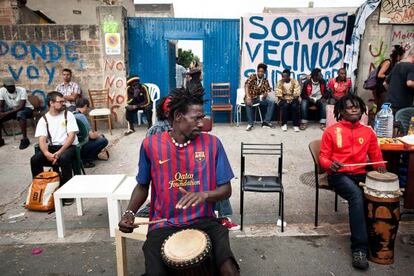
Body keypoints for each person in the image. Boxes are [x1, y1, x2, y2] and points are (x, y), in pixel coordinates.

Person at [118, 87, 240, 276]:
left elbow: (226, 190)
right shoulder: (150, 145)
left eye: (202, 117)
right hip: (164, 224)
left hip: (204, 220)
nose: (202, 123)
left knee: (228, 269)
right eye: (196, 118)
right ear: (178, 117)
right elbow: (142, 185)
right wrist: (129, 213)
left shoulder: (213, 144)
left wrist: (204, 195)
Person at [319, 94, 387, 270]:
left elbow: (376, 156)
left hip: (359, 173)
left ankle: (378, 239)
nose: (354, 109)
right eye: (349, 107)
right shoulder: (331, 131)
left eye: (357, 106)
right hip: (338, 175)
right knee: (356, 196)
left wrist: (380, 168)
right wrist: (330, 165)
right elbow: (323, 158)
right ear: (341, 111)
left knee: (378, 195)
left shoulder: (368, 132)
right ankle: (360, 249)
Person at [30, 91, 79, 204]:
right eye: (60, 101)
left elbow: (71, 137)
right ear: (51, 103)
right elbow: (42, 140)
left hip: (68, 147)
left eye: (63, 101)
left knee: (64, 158)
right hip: (53, 147)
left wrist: (60, 152)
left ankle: (68, 193)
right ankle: (40, 189)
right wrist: (47, 153)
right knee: (35, 159)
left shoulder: (68, 115)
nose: (63, 104)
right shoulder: (44, 119)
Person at [73, 98, 109, 168]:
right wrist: (99, 135)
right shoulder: (81, 116)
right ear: (85, 106)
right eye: (87, 108)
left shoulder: (71, 114)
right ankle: (86, 159)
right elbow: (91, 136)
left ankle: (87, 157)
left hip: (74, 145)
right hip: (81, 146)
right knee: (104, 140)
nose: (87, 110)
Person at [0, 77, 33, 149]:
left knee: (20, 114)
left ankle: (25, 139)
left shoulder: (22, 90)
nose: (12, 88)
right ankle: (0, 140)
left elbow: (21, 107)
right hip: (13, 110)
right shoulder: (2, 91)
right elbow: (1, 106)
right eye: (9, 87)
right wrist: (1, 113)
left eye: (13, 86)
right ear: (5, 87)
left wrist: (5, 113)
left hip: (27, 109)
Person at [244, 63, 275, 131]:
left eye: (262, 71)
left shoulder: (265, 81)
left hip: (258, 98)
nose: (260, 73)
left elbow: (268, 90)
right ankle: (250, 124)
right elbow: (246, 85)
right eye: (259, 71)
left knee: (271, 102)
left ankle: (266, 122)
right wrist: (248, 97)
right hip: (250, 97)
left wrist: (265, 94)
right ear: (257, 71)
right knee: (248, 103)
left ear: (264, 72)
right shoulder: (252, 76)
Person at [374, 45, 405, 110]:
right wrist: (389, 76)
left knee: (385, 107)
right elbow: (379, 75)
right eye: (402, 56)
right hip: (382, 88)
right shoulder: (388, 62)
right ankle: (379, 119)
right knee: (383, 107)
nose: (402, 57)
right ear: (398, 55)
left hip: (387, 88)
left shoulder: (394, 63)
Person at [385, 47, 414, 114]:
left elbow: (385, 83)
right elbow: (410, 83)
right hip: (402, 107)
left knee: (388, 124)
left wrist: (393, 94)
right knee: (402, 124)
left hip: (388, 104)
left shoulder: (397, 65)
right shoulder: (412, 67)